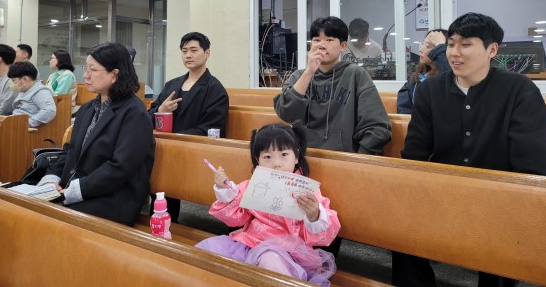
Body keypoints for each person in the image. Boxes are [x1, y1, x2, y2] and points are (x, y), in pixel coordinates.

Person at [392, 12, 546, 287]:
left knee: (502, 250)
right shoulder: (431, 90)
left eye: (466, 45)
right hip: (442, 196)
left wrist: (508, 203)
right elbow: (414, 155)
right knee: (401, 228)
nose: (455, 53)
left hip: (502, 202)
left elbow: (534, 165)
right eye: (451, 44)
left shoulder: (519, 90)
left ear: (492, 50)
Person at [196, 121, 341, 287]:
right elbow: (235, 219)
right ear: (258, 160)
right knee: (207, 254)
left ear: (296, 157)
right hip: (248, 244)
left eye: (284, 154)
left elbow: (325, 233)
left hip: (287, 253)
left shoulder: (307, 191)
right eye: (267, 157)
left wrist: (315, 215)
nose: (276, 163)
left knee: (271, 261)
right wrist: (225, 191)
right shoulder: (252, 185)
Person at [37, 42, 155, 226]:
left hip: (114, 198)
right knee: (26, 204)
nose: (86, 75)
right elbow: (70, 151)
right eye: (86, 68)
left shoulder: (134, 113)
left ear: (114, 74)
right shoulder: (87, 109)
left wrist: (74, 190)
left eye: (92, 69)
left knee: (48, 218)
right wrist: (51, 180)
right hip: (79, 189)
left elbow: (120, 167)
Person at [274, 16, 391, 155]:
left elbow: (377, 127)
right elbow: (286, 114)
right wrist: (309, 72)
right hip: (303, 157)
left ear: (343, 46)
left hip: (344, 159)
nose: (322, 45)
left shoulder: (356, 75)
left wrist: (359, 159)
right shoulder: (299, 76)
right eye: (316, 40)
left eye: (329, 40)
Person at [148, 31, 229, 221]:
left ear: (207, 53)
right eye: (184, 51)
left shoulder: (215, 89)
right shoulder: (171, 85)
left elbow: (212, 129)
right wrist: (161, 109)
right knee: (160, 196)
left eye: (194, 50)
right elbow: (147, 117)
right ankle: (160, 222)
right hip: (163, 150)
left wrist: (176, 140)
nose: (188, 55)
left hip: (193, 152)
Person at [396, 29, 450, 114]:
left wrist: (441, 48)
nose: (421, 49)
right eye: (422, 44)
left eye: (427, 46)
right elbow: (404, 109)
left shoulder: (450, 76)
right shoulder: (416, 78)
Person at [8, 62, 56, 128]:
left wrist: (28, 123)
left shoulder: (40, 91)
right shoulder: (24, 90)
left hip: (25, 129)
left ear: (25, 79)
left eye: (13, 80)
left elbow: (50, 110)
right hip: (14, 124)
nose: (12, 83)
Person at [46, 50, 79, 114]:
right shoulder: (52, 75)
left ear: (60, 60)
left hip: (63, 108)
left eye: (52, 58)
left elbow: (59, 96)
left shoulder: (67, 75)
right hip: (52, 106)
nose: (49, 61)